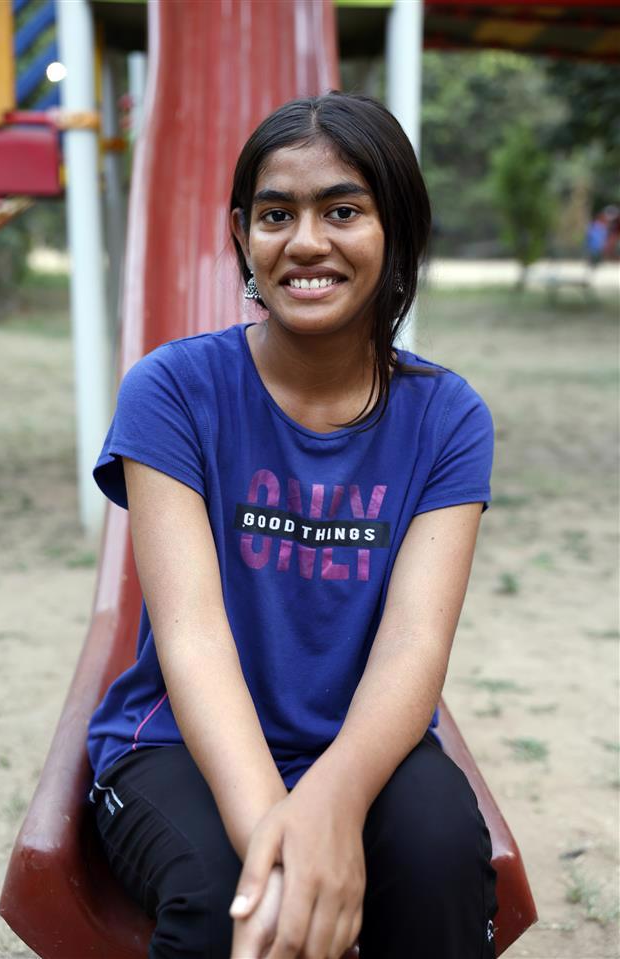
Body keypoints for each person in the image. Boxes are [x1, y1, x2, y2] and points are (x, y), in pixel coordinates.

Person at [87, 91, 498, 959]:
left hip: (358, 745)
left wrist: (332, 804)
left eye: (342, 210)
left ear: (397, 230)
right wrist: (280, 846)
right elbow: (193, 638)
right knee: (225, 902)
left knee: (440, 858)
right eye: (277, 214)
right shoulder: (173, 391)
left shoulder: (448, 417)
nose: (306, 241)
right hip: (177, 743)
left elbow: (415, 643)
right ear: (243, 235)